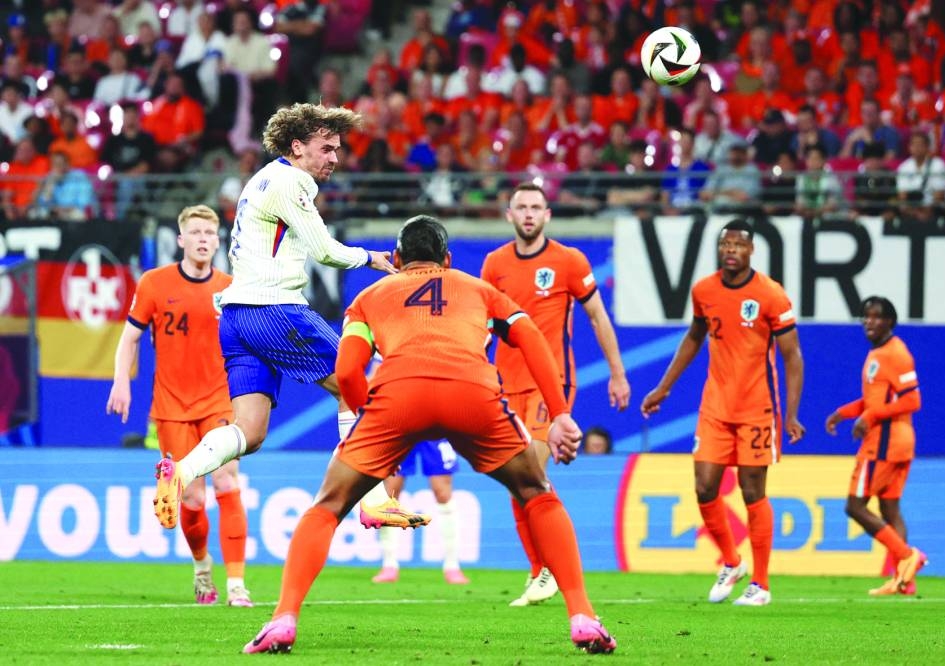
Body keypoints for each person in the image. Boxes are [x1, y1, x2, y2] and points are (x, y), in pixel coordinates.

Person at [243, 215, 616, 655]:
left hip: (397, 398)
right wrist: (560, 414)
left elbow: (346, 371)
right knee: (537, 492)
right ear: (449, 259)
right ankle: (582, 617)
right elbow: (531, 337)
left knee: (328, 506)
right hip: (472, 394)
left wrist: (370, 419)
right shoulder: (479, 290)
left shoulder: (368, 296)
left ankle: (283, 619)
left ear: (397, 259)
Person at [151, 104, 429, 532]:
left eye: (337, 149)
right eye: (325, 148)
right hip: (276, 308)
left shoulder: (261, 178)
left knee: (250, 430)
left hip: (238, 318)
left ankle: (182, 471)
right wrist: (370, 258)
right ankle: (373, 499)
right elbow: (324, 250)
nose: (334, 158)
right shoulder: (292, 180)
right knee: (359, 388)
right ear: (297, 147)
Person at [640, 218, 805, 607]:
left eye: (738, 244)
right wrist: (664, 387)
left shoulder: (770, 294)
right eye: (725, 244)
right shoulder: (704, 290)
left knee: (752, 492)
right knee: (704, 486)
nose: (731, 250)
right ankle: (732, 562)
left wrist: (792, 415)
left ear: (751, 250)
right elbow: (695, 336)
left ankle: (761, 584)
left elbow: (792, 356)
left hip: (756, 407)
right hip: (715, 406)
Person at [480, 182, 630, 607]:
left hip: (552, 386)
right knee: (517, 481)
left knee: (530, 472)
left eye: (535, 207)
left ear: (547, 215)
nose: (528, 213)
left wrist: (617, 375)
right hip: (506, 387)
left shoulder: (568, 261)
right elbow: (483, 327)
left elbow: (598, 317)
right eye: (521, 207)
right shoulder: (494, 264)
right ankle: (540, 570)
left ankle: (549, 572)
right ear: (509, 215)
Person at [107, 205, 253, 607]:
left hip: (219, 403)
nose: (205, 239)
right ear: (181, 239)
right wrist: (122, 380)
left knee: (227, 483)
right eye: (197, 232)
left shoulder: (232, 287)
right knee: (190, 500)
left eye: (211, 232)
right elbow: (131, 337)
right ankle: (202, 566)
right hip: (171, 407)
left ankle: (238, 585)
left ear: (217, 240)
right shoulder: (154, 283)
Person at [824, 296, 926, 596]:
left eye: (877, 316)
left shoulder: (897, 354)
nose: (870, 321)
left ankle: (907, 557)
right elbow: (877, 401)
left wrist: (869, 416)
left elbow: (912, 400)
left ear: (890, 322)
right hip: (898, 440)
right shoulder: (878, 353)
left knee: (855, 506)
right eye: (866, 316)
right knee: (890, 509)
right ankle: (903, 582)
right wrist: (844, 413)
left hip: (885, 442)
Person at [371, 438, 470, 585]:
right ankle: (389, 564)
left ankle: (452, 565)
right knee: (390, 493)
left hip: (435, 427)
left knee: (443, 493)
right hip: (402, 426)